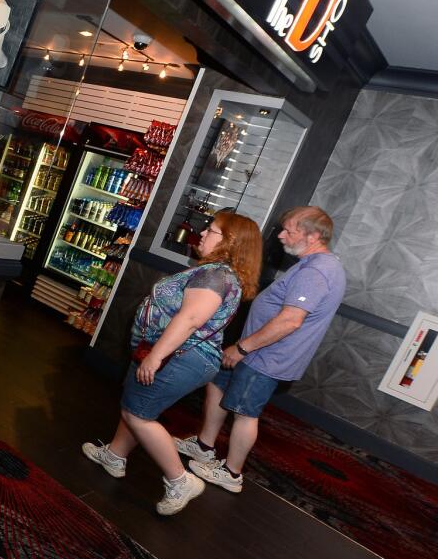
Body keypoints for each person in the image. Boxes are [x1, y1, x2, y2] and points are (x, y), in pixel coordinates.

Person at [82, 212, 262, 516]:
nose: (202, 234)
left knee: (137, 414)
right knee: (137, 404)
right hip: (173, 353)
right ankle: (115, 455)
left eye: (212, 230)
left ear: (229, 242)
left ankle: (180, 480)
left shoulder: (215, 275)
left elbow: (189, 320)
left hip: (180, 355)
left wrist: (157, 355)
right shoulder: (219, 273)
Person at [176, 207, 345, 493]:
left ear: (314, 235)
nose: (280, 235)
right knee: (217, 386)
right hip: (257, 350)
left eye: (289, 230)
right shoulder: (314, 263)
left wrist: (242, 348)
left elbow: (290, 321)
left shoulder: (317, 271)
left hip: (267, 357)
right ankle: (204, 446)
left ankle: (232, 473)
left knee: (245, 412)